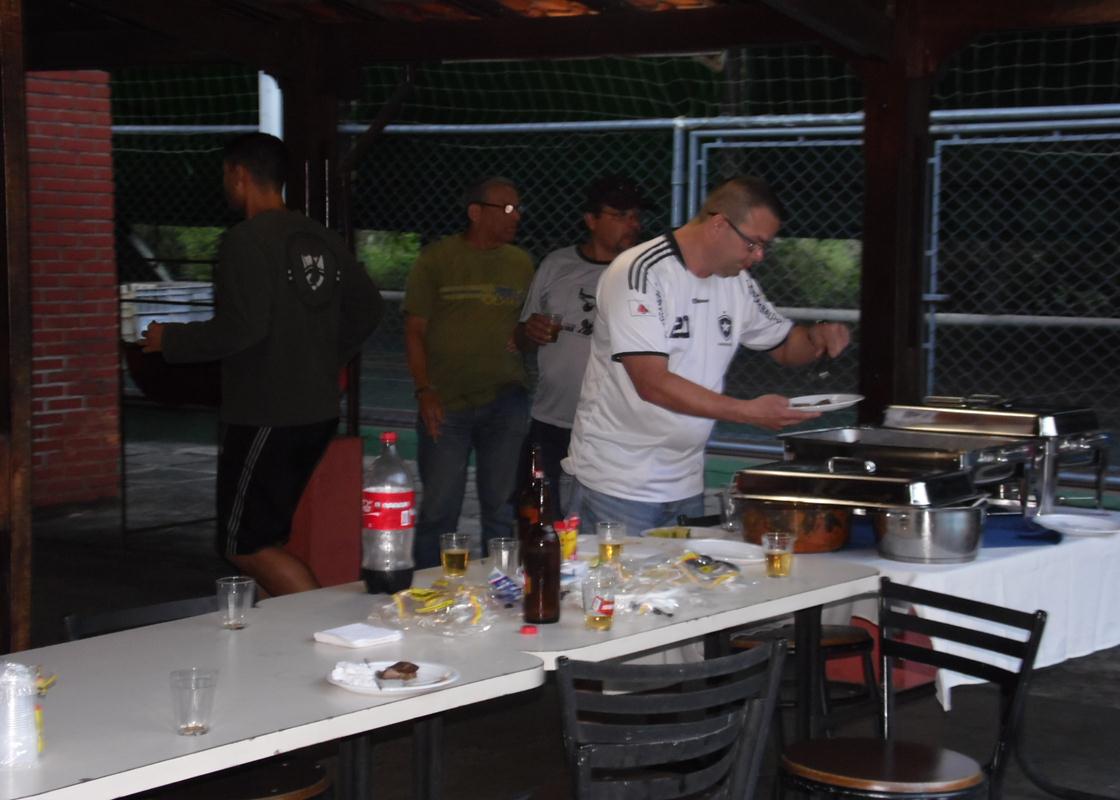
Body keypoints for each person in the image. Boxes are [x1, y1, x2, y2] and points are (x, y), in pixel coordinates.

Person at [142, 132, 384, 596]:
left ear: (239, 175)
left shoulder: (245, 240)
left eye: (225, 175)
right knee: (263, 537)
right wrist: (322, 358)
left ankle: (319, 627)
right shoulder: (321, 236)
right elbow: (369, 309)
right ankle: (294, 630)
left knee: (244, 545)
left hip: (266, 413)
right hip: (315, 411)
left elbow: (241, 328)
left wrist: (169, 339)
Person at [564, 175, 850, 534]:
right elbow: (651, 382)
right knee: (614, 573)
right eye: (753, 243)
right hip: (617, 483)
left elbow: (784, 345)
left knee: (685, 573)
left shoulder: (736, 282)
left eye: (765, 246)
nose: (758, 256)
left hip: (685, 481)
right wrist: (747, 412)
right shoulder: (639, 272)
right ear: (719, 225)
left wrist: (817, 336)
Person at [403, 176, 534, 568]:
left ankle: (501, 586)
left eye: (518, 208)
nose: (516, 216)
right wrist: (425, 390)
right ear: (475, 212)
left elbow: (528, 329)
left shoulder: (522, 263)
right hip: (446, 404)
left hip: (506, 400)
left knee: (501, 509)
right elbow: (414, 330)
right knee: (439, 511)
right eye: (506, 208)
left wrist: (530, 334)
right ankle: (429, 591)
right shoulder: (436, 259)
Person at [515, 175, 651, 516]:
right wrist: (530, 331)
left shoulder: (645, 274)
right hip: (552, 419)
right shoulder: (556, 265)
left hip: (613, 427)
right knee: (539, 518)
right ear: (591, 220)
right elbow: (520, 338)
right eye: (620, 215)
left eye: (635, 216)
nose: (632, 224)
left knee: (600, 523)